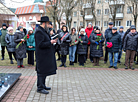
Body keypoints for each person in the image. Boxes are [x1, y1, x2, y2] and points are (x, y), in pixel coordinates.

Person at [35, 16, 57, 94]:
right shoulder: (39, 31)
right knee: (41, 72)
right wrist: (50, 42)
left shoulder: (44, 31)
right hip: (41, 56)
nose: (49, 25)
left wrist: (52, 40)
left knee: (44, 71)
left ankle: (43, 85)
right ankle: (40, 87)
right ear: (44, 23)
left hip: (45, 55)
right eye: (48, 24)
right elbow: (40, 44)